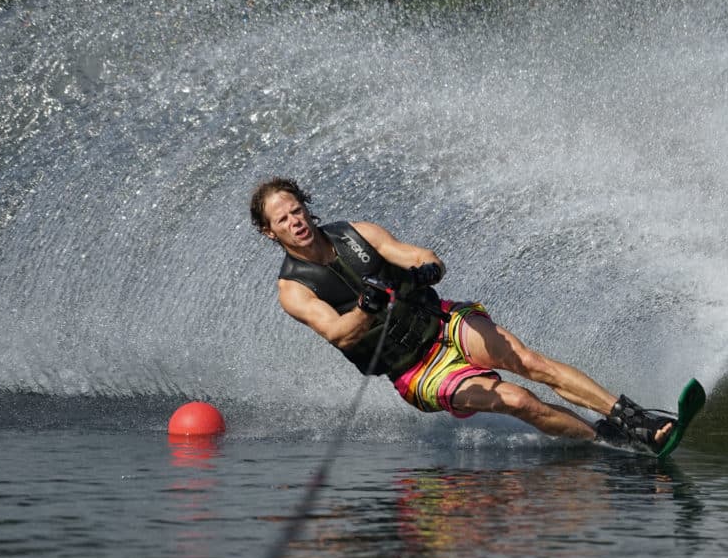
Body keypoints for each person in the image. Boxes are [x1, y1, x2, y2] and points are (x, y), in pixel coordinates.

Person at [248, 177, 674, 450]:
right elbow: (339, 333)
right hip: (417, 371)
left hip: (443, 325)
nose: (295, 222)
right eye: (282, 220)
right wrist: (367, 308)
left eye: (297, 210)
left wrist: (428, 267)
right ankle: (607, 440)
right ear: (271, 231)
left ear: (306, 207)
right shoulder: (293, 289)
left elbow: (413, 254)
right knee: (517, 400)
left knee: (528, 362)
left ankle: (633, 419)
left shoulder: (356, 233)